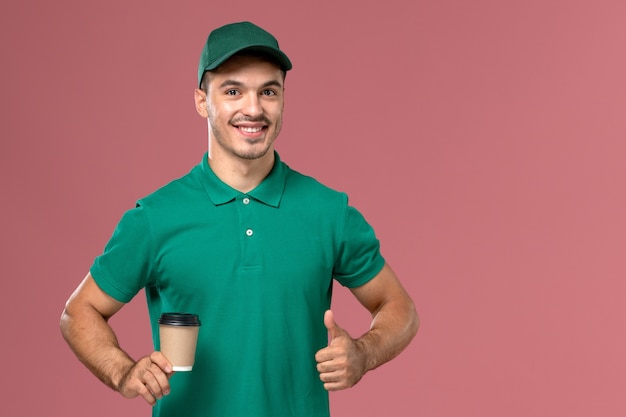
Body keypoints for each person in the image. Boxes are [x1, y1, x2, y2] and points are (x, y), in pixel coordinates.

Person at [60, 21, 418, 417]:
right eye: (233, 91)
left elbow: (400, 308)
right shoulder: (156, 217)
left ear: (283, 99)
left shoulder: (328, 212)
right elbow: (79, 312)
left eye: (268, 91)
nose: (253, 109)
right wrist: (124, 372)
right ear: (201, 101)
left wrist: (363, 354)